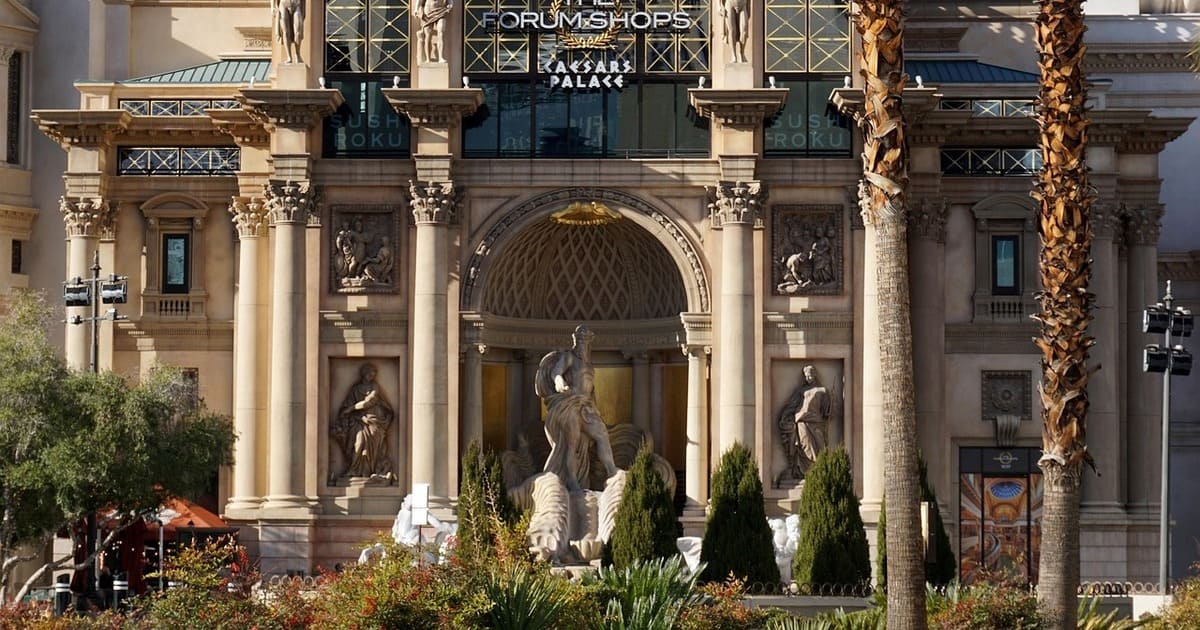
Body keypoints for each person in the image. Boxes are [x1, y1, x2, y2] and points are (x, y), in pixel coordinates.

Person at [535, 325, 618, 492]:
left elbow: (591, 389)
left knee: (601, 434)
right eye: (579, 341)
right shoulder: (569, 357)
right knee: (571, 443)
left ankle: (612, 473)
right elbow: (556, 372)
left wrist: (593, 406)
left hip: (586, 406)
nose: (581, 344)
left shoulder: (588, 364)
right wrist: (559, 381)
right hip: (570, 403)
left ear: (589, 343)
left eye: (584, 341)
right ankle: (572, 480)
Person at [334, 363, 395, 482]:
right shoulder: (355, 389)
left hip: (374, 421)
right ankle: (354, 470)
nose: (371, 377)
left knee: (373, 448)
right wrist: (347, 411)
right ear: (364, 373)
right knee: (358, 444)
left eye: (373, 375)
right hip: (358, 421)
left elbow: (370, 402)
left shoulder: (374, 387)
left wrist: (351, 409)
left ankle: (368, 472)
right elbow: (346, 404)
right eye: (370, 374)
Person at [777, 365, 832, 481]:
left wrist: (828, 410)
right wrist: (785, 416)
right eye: (806, 376)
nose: (808, 378)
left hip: (816, 422)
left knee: (820, 446)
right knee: (805, 446)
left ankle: (818, 472)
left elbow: (826, 410)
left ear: (814, 375)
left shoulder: (822, 390)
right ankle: (808, 473)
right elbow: (792, 406)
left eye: (810, 375)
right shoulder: (801, 391)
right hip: (802, 421)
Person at [272, 0, 305, 64]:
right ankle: (289, 57)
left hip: (296, 4)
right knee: (286, 32)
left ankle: (297, 54)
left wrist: (303, 10)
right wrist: (272, 6)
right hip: (283, 4)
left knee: (298, 31)